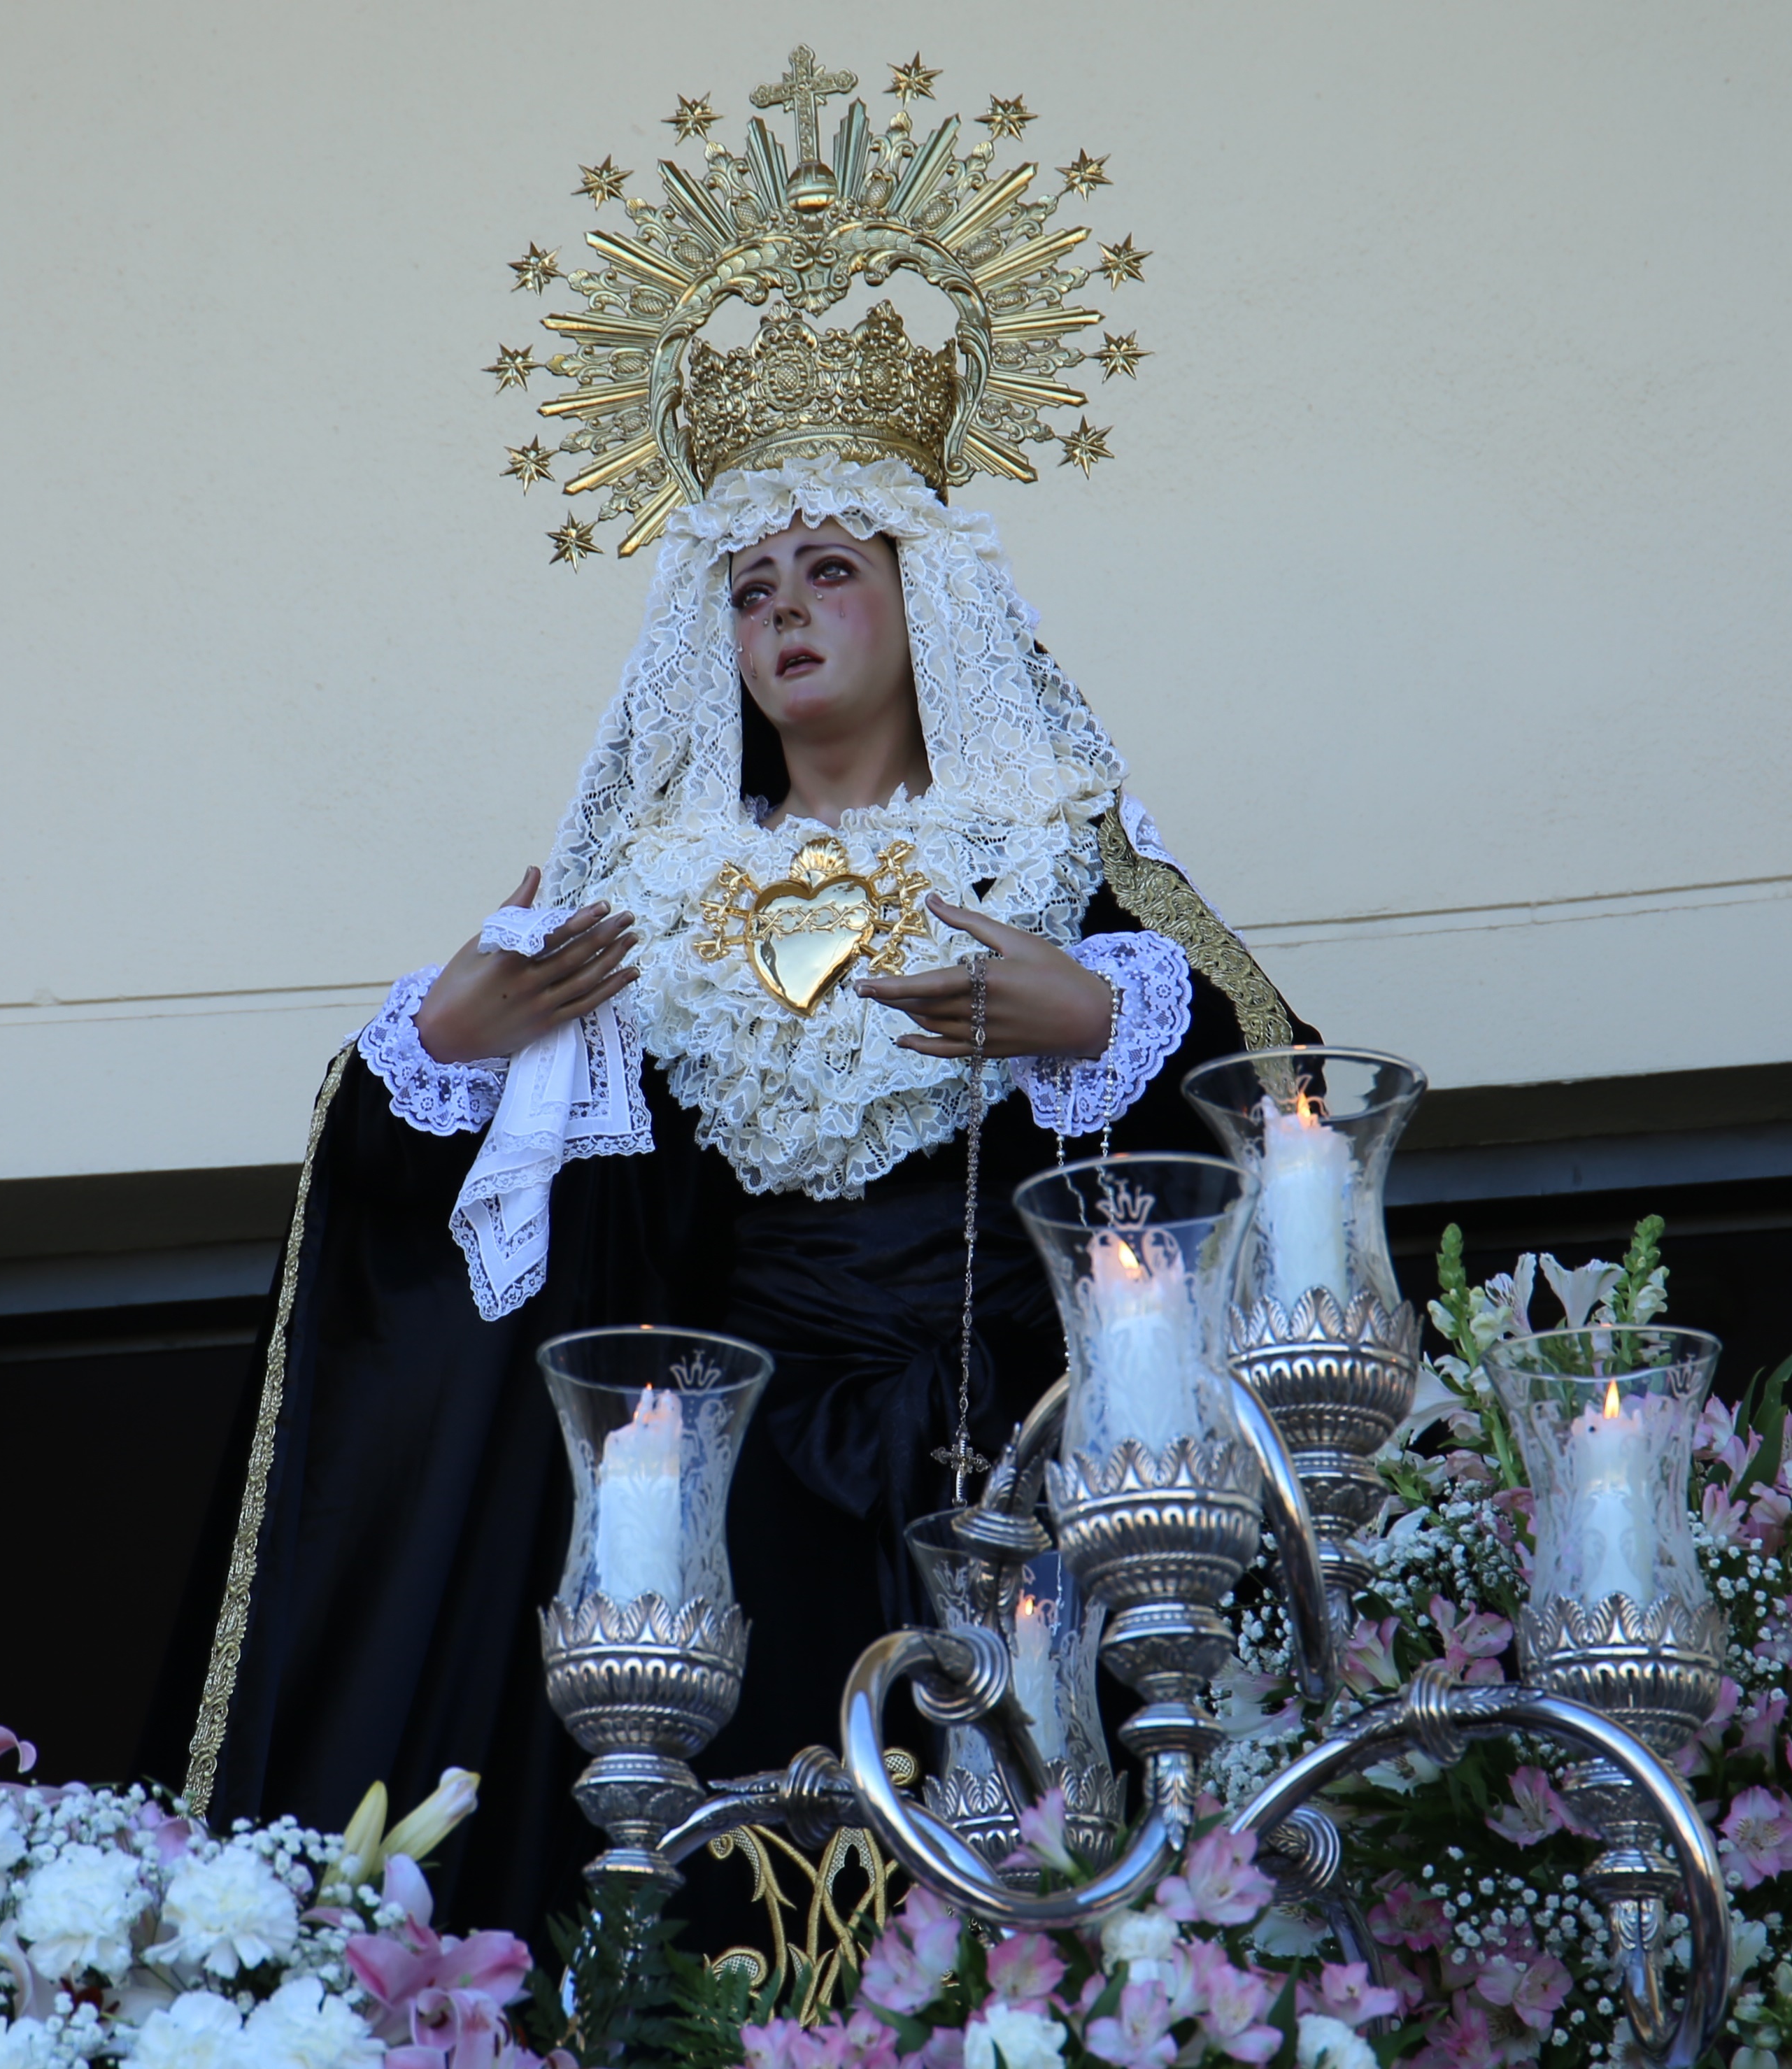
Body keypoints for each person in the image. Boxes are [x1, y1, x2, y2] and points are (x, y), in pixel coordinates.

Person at [161, 50, 1306, 1933]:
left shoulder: (1056, 857)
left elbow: (1275, 1101)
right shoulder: (649, 902)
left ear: (923, 600)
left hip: (1004, 1444)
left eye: (832, 568)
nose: (785, 609)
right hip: (717, 1476)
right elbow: (476, 1211)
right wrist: (448, 1053)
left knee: (1021, 1869)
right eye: (752, 582)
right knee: (732, 1879)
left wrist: (1100, 1028)